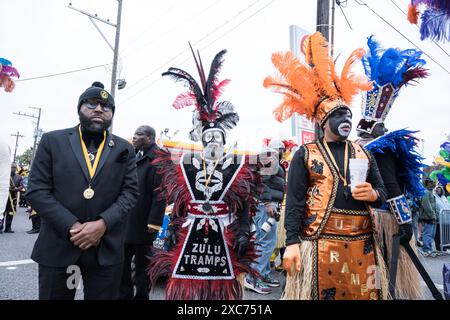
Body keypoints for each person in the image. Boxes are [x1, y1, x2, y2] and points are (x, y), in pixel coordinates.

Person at [264, 32, 389, 300]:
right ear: (323, 121)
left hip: (362, 243)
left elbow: (383, 190)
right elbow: (295, 201)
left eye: (349, 115)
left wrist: (375, 194)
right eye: (340, 115)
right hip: (319, 242)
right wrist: (292, 244)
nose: (347, 119)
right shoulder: (304, 154)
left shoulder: (363, 152)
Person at [148, 46, 260, 300]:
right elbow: (180, 203)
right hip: (192, 232)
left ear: (223, 141)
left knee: (221, 293)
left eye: (216, 138)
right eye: (207, 137)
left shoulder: (238, 168)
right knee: (189, 291)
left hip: (225, 231)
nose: (212, 142)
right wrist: (176, 227)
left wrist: (243, 232)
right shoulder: (186, 167)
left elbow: (245, 206)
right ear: (202, 140)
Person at [25, 82, 139, 300]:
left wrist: (102, 224)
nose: (99, 109)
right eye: (92, 103)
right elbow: (37, 191)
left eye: (106, 107)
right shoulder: (53, 141)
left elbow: (130, 193)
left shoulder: (125, 148)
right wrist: (74, 227)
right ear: (79, 108)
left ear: (112, 114)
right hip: (60, 246)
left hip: (105, 250)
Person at [355, 36, 428, 299]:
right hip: (384, 219)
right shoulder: (382, 147)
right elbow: (392, 186)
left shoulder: (357, 146)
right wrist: (405, 220)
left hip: (362, 219)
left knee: (369, 276)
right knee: (384, 274)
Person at [119, 125, 166, 300]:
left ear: (150, 138)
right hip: (127, 219)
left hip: (144, 222)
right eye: (134, 133)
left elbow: (160, 193)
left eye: (139, 134)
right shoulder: (133, 155)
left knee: (142, 266)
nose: (134, 137)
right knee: (122, 263)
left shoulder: (158, 158)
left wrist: (154, 222)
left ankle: (141, 297)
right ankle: (124, 296)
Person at [245, 146, 285, 294]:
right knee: (266, 242)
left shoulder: (267, 159)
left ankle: (263, 274)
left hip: (265, 205)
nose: (282, 149)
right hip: (265, 206)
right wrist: (268, 203)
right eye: (280, 147)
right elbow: (262, 182)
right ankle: (253, 278)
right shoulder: (269, 158)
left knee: (265, 241)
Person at [1, 163, 24, 233]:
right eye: (11, 167)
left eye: (14, 167)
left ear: (16, 168)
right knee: (2, 212)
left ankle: (8, 228)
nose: (12, 168)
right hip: (3, 197)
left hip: (13, 198)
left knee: (10, 213)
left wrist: (16, 189)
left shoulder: (19, 177)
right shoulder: (3, 176)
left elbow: (22, 186)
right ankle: (0, 227)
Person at [419, 185, 439, 257]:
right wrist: (433, 216)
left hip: (432, 217)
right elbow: (426, 205)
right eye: (431, 182)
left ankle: (429, 249)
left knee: (431, 234)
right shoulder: (426, 192)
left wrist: (435, 216)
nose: (433, 184)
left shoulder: (431, 192)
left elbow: (433, 206)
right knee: (428, 234)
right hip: (428, 217)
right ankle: (426, 250)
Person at [433, 185, 450, 254]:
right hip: (439, 219)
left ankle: (445, 246)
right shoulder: (434, 197)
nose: (438, 190)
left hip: (447, 219)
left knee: (446, 234)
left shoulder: (444, 197)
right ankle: (439, 247)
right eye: (437, 189)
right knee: (438, 234)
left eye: (440, 189)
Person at [0, 138, 11, 233]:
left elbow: (3, 183)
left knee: (9, 213)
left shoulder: (2, 146)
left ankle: (7, 227)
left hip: (11, 197)